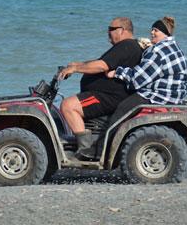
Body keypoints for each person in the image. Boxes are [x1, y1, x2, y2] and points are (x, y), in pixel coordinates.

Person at [58, 17, 143, 159]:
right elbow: (101, 62)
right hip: (106, 95)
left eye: (111, 29)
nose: (108, 33)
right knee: (71, 104)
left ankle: (85, 150)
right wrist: (78, 64)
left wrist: (76, 69)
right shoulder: (126, 47)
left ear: (122, 30)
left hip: (109, 97)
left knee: (68, 105)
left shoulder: (126, 45)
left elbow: (102, 65)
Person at [106, 16, 187, 124]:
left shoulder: (157, 52)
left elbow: (137, 80)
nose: (152, 32)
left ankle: (105, 139)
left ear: (165, 33)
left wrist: (117, 72)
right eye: (152, 29)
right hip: (175, 96)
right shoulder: (175, 48)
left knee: (122, 109)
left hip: (159, 97)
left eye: (156, 30)